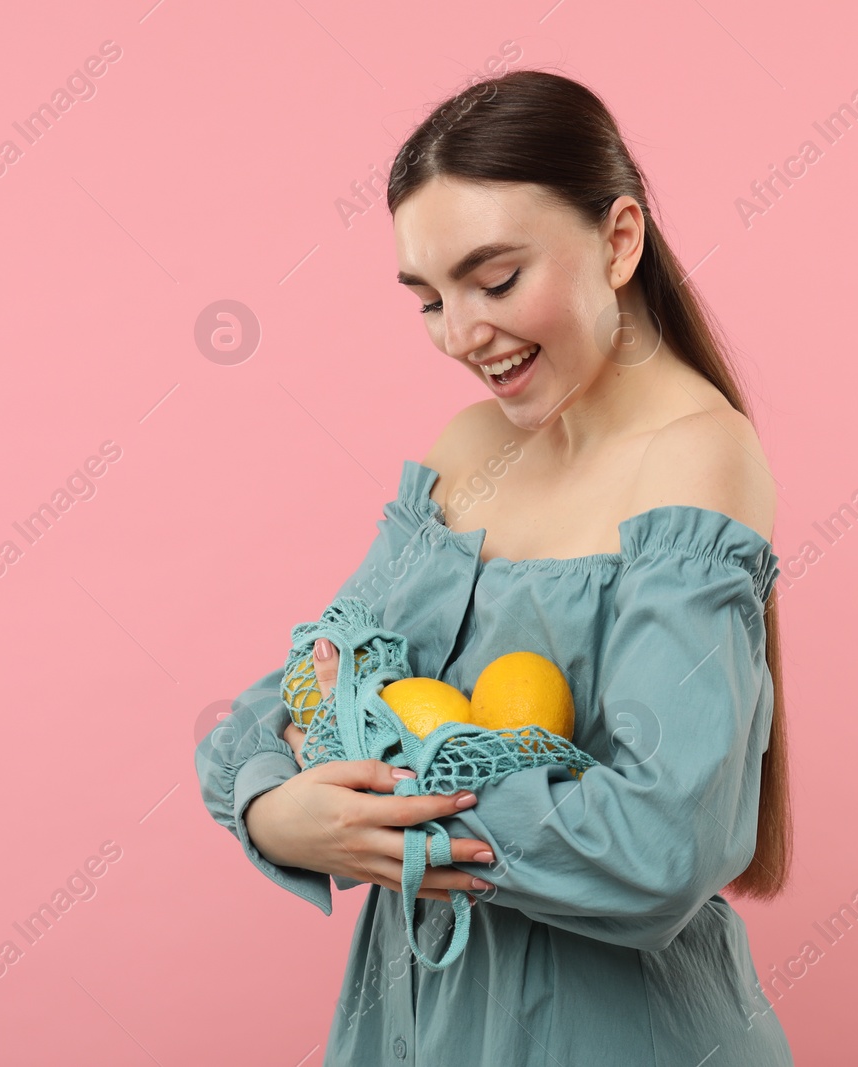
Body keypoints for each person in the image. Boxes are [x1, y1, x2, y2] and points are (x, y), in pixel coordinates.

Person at [195, 69, 794, 1065]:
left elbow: (658, 847)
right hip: (413, 1024)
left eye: (497, 278)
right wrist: (271, 805)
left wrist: (372, 774)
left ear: (618, 240)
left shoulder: (697, 455)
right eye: (428, 298)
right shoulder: (471, 448)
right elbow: (290, 690)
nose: (460, 334)